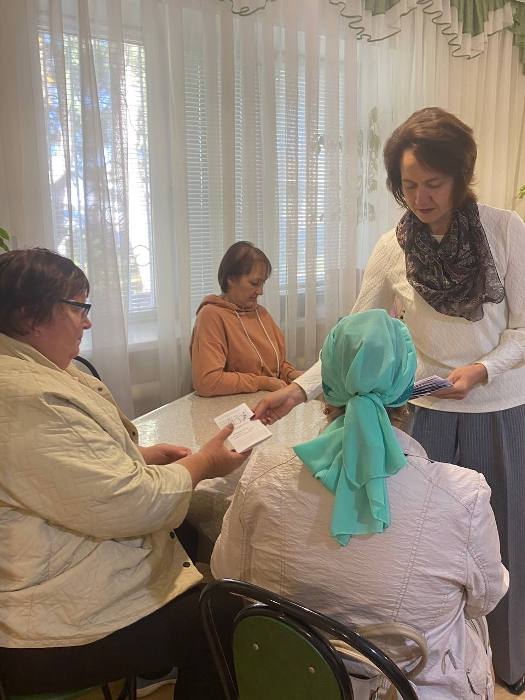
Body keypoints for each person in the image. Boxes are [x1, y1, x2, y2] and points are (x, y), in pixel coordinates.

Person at [253, 107, 525, 694]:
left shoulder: (506, 232)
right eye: (408, 185)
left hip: (498, 410)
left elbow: (523, 330)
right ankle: (431, 655)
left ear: (461, 176)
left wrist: (483, 369)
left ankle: (508, 662)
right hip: (424, 411)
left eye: (434, 184)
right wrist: (297, 389)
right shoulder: (393, 247)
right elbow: (353, 334)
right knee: (424, 545)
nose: (420, 199)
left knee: (502, 540)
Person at [213, 310, 508, 699]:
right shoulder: (463, 497)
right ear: (408, 389)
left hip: (288, 682)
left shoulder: (263, 473)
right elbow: (485, 598)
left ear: (327, 386)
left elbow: (225, 571)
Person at [0, 248, 246, 697]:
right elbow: (134, 503)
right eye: (78, 308)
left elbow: (63, 468)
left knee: (190, 531)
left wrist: (139, 456)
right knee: (224, 615)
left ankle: (162, 661)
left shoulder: (34, 371)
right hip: (42, 626)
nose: (87, 322)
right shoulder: (25, 396)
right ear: (30, 316)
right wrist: (205, 463)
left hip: (53, 573)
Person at [190, 240, 301, 396]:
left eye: (262, 283)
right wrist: (262, 383)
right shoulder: (211, 316)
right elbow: (207, 381)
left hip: (267, 399)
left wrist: (290, 374)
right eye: (255, 283)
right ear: (230, 279)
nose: (260, 291)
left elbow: (275, 364)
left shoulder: (261, 313)